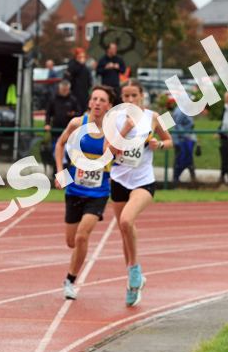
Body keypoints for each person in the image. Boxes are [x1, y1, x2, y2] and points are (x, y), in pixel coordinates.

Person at [105, 78, 173, 307]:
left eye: (134, 95)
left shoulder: (154, 117)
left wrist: (160, 145)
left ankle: (134, 272)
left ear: (142, 96)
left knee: (126, 221)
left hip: (143, 182)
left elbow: (169, 140)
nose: (130, 100)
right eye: (126, 96)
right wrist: (125, 129)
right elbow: (108, 151)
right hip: (119, 181)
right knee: (125, 231)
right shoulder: (114, 119)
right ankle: (134, 282)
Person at [54, 85, 115, 300]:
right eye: (95, 99)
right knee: (71, 241)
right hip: (74, 189)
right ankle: (76, 262)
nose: (97, 103)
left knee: (81, 237)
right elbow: (60, 145)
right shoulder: (76, 123)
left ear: (109, 106)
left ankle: (70, 281)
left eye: (102, 100)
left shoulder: (112, 131)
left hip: (98, 193)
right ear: (89, 102)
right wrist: (60, 172)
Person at [172, 100, 197, 183]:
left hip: (186, 140)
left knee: (189, 158)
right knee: (180, 158)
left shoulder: (186, 109)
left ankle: (192, 178)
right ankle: (175, 179)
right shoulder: (180, 110)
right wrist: (187, 135)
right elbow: (177, 125)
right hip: (180, 140)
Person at [65, 48, 91, 113]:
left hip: (84, 91)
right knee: (77, 109)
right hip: (75, 90)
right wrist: (80, 64)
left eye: (83, 56)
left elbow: (87, 76)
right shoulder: (73, 63)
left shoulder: (85, 66)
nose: (83, 58)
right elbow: (72, 72)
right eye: (80, 56)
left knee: (83, 109)